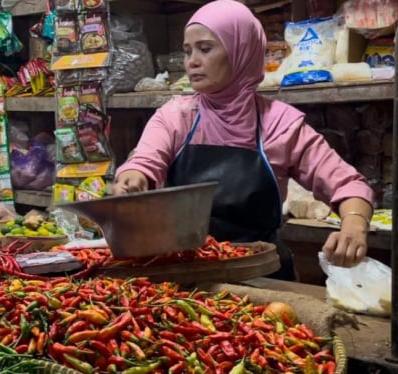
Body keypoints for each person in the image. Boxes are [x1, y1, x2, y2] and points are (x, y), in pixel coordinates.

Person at [112, 0, 374, 281]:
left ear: (242, 50)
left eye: (205, 48)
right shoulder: (176, 115)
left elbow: (348, 184)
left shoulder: (280, 124)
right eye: (187, 51)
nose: (192, 61)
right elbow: (145, 159)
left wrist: (354, 225)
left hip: (263, 275)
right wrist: (133, 176)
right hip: (187, 274)